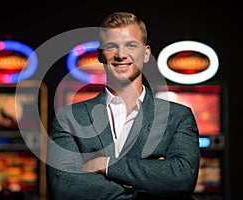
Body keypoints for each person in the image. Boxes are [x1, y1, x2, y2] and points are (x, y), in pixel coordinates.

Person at [46, 11, 200, 200]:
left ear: (146, 54)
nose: (121, 55)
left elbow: (183, 177)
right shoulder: (69, 118)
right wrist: (152, 182)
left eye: (131, 45)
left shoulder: (177, 116)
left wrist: (107, 165)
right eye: (112, 46)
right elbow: (64, 186)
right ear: (100, 55)